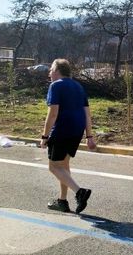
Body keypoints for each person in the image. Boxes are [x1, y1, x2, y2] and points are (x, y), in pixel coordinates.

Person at [41, 59, 95, 214]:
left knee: (53, 166)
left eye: (51, 70)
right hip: (76, 131)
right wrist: (89, 135)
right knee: (63, 166)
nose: (49, 73)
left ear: (57, 71)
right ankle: (62, 201)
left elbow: (53, 113)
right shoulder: (78, 86)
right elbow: (87, 113)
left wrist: (44, 137)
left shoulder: (56, 85)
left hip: (62, 130)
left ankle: (80, 192)